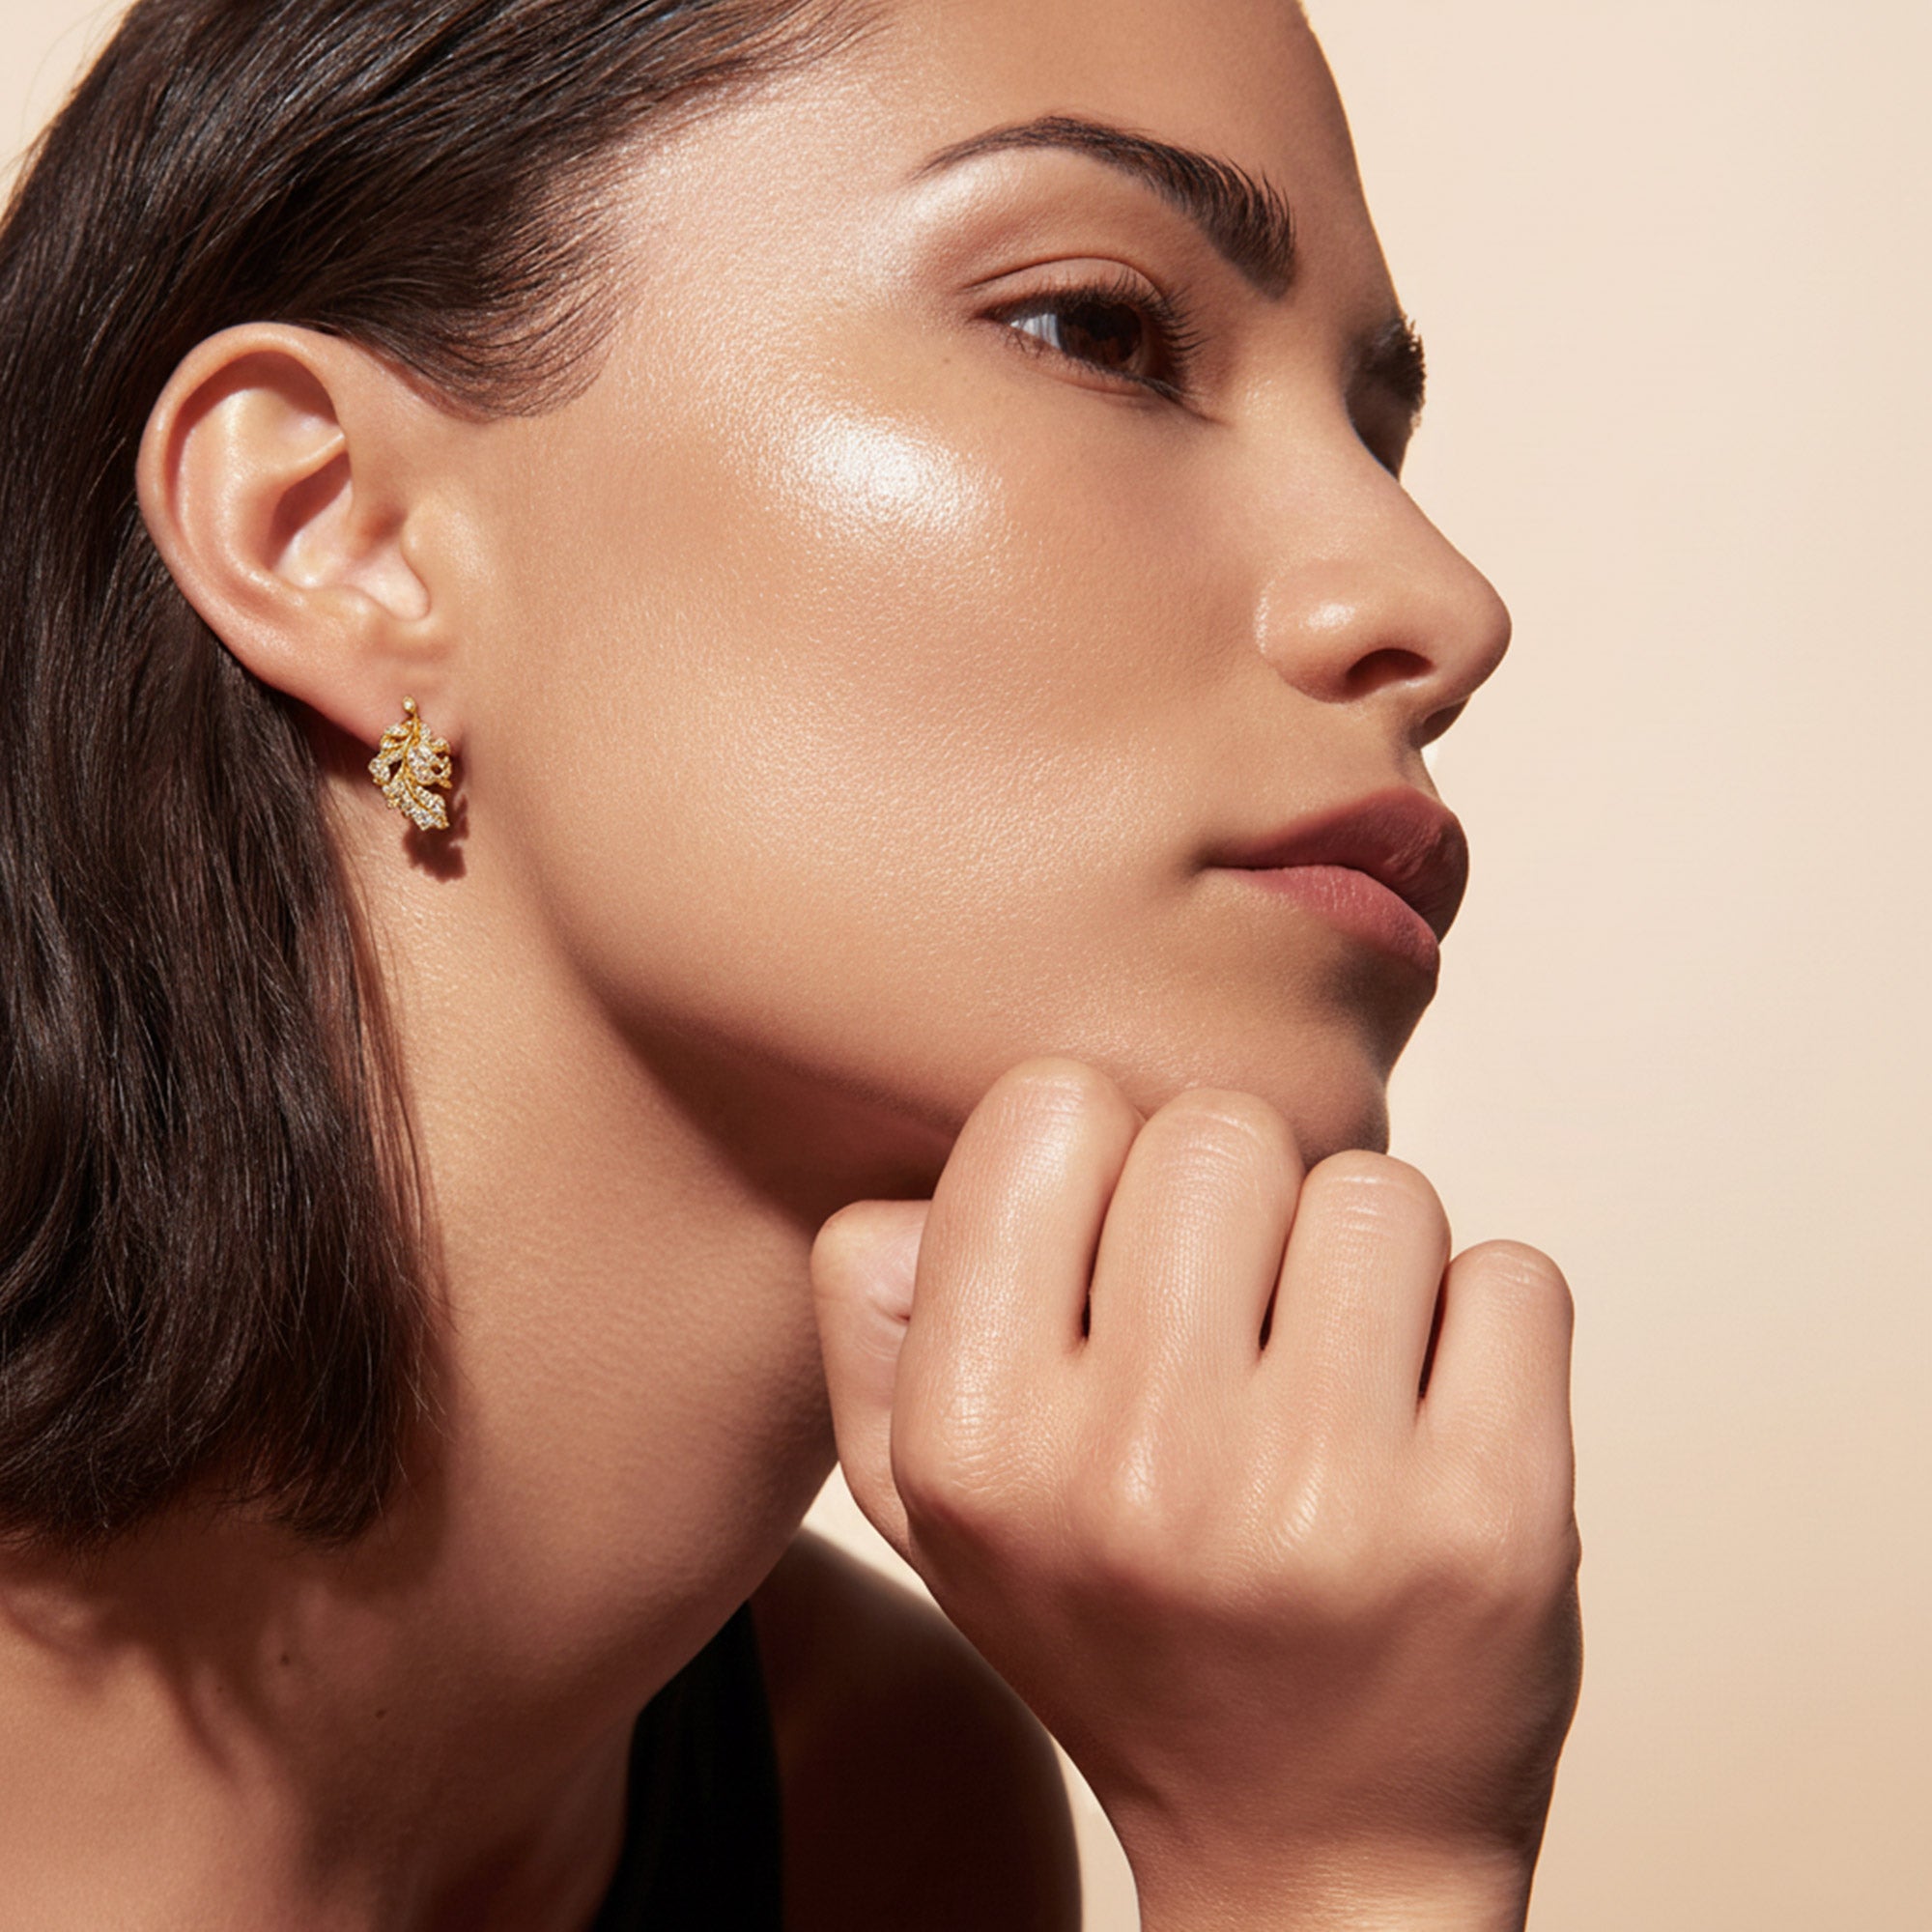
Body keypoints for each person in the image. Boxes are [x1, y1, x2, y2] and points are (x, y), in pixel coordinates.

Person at [0, 0, 1582, 1924]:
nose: (1432, 601)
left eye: (1372, 423)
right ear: (337, 536)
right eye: (1101, 328)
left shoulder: (880, 1805)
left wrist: (1331, 1861)